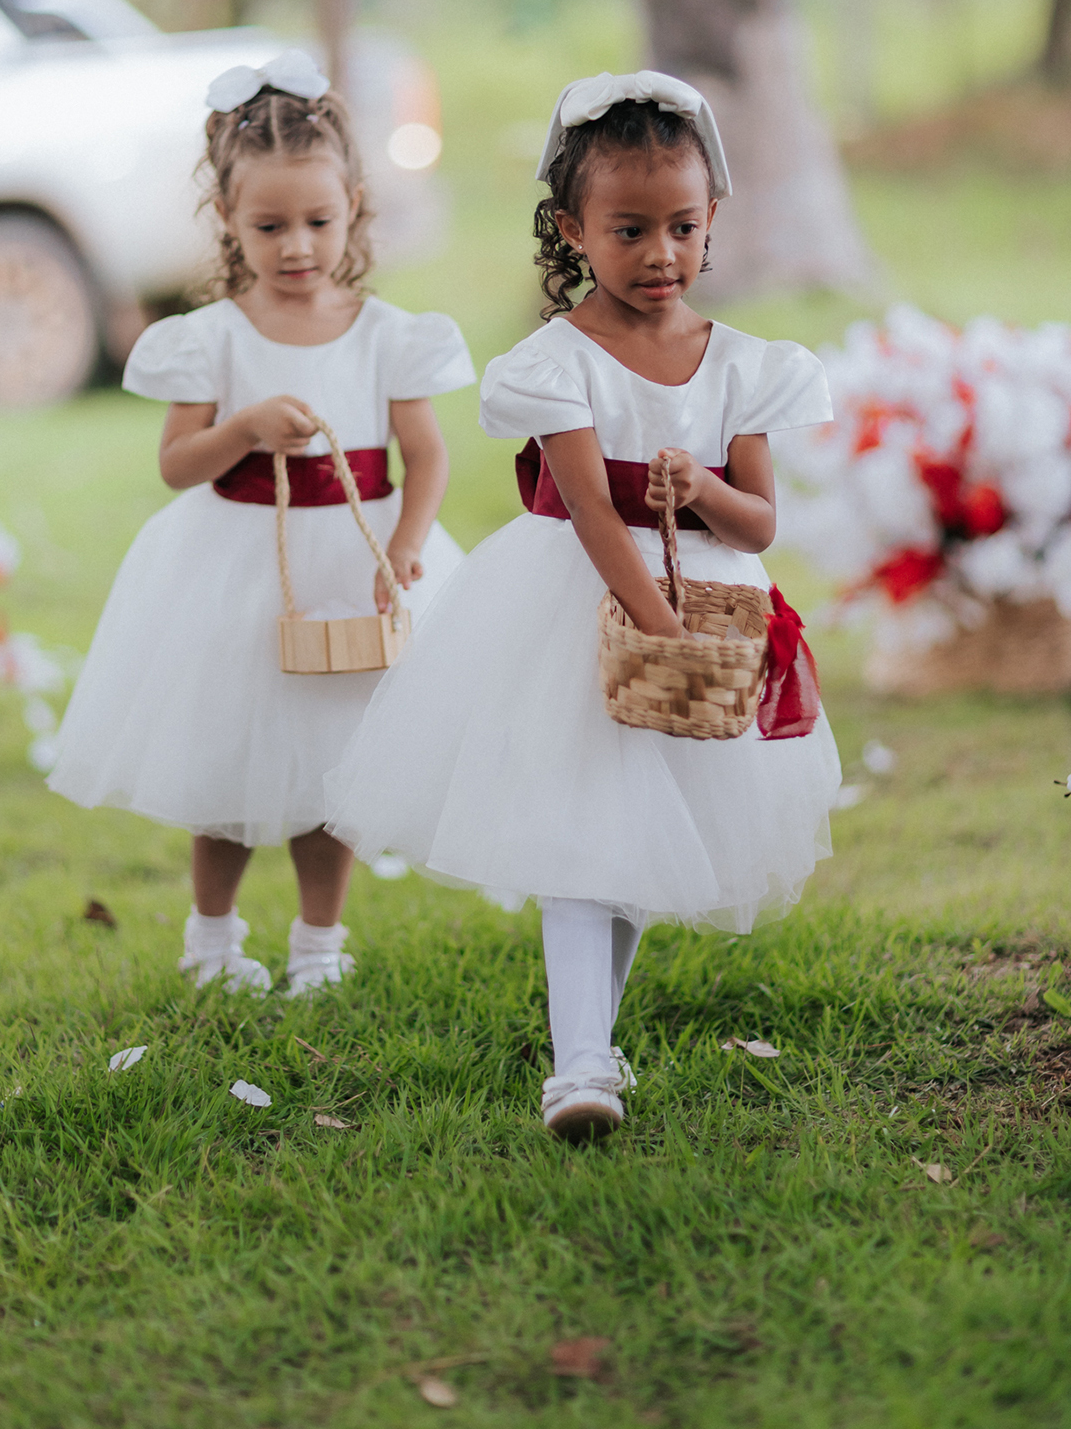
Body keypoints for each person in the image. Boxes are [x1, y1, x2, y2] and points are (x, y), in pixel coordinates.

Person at [326, 70, 841, 1139]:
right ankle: (580, 1070)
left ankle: (594, 1041)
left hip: (711, 604)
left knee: (644, 839)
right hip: (580, 608)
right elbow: (589, 508)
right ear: (573, 229)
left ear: (713, 219)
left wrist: (702, 491)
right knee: (578, 835)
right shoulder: (557, 363)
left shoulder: (744, 367)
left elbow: (757, 524)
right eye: (629, 230)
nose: (661, 255)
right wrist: (656, 620)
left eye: (683, 227)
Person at [49, 50, 475, 998]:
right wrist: (242, 428)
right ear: (227, 220)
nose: (295, 247)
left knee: (337, 772)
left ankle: (318, 944)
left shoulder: (388, 334)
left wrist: (407, 542)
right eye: (269, 226)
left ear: (353, 206)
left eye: (317, 222)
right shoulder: (210, 339)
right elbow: (177, 465)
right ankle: (212, 940)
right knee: (229, 776)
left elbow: (427, 456)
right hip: (240, 572)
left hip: (355, 564)